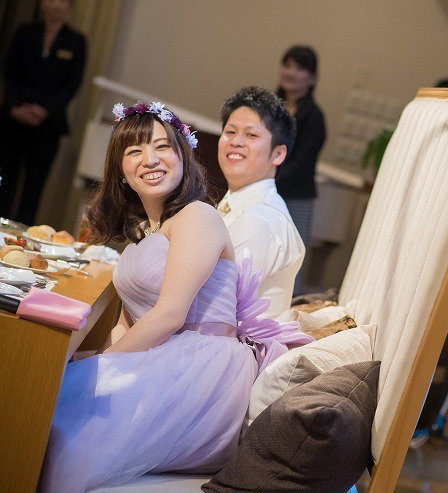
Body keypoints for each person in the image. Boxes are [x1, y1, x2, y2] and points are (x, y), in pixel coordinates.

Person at [40, 102, 312, 492]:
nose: (150, 159)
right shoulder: (148, 229)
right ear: (121, 171)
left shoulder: (197, 216)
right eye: (134, 151)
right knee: (48, 391)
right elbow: (127, 322)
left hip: (200, 372)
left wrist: (99, 364)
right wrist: (89, 360)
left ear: (183, 155)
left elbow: (169, 315)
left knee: (60, 424)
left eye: (162, 146)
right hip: (164, 355)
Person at [0, 0, 86, 225]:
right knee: (3, 179)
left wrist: (45, 110)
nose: (56, 4)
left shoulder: (76, 41)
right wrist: (15, 107)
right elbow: (9, 73)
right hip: (13, 120)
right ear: (41, 2)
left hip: (47, 127)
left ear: (69, 5)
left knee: (34, 187)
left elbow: (72, 84)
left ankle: (21, 238)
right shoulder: (25, 32)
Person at [217, 86, 305, 318]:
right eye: (230, 131)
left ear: (278, 154)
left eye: (251, 135)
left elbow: (213, 303)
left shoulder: (260, 221)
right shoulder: (239, 204)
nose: (236, 141)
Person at [275, 45, 326, 291]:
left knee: (290, 255)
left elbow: (302, 162)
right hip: (266, 186)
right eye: (287, 65)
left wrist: (269, 180)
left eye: (300, 68)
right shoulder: (270, 108)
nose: (291, 73)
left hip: (296, 196)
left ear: (312, 78)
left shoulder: (314, 117)